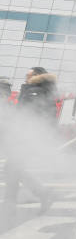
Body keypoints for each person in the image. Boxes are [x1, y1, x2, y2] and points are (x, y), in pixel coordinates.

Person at [4, 67, 58, 212]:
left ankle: (40, 194)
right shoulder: (38, 90)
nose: (25, 78)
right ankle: (12, 202)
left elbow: (28, 115)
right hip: (28, 135)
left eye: (29, 75)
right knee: (13, 167)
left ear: (37, 76)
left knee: (13, 167)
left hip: (27, 136)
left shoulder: (35, 91)